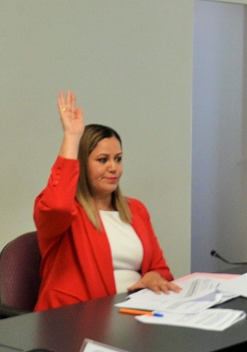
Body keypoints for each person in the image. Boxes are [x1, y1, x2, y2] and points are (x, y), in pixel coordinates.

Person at [34, 90, 178, 310]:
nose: (113, 167)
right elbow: (57, 205)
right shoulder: (68, 214)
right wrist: (72, 138)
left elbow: (160, 268)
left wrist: (153, 276)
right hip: (78, 319)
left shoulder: (135, 209)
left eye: (118, 159)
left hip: (136, 312)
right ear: (81, 164)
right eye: (103, 160)